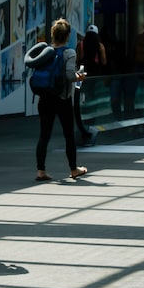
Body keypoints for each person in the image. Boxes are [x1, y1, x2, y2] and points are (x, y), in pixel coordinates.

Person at [33, 18, 88, 182]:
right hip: (62, 98)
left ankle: (41, 171)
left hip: (45, 98)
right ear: (68, 35)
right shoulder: (69, 53)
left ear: (53, 34)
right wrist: (81, 76)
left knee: (44, 135)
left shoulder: (46, 52)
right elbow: (71, 76)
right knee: (68, 135)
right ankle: (73, 169)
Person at [74, 24, 106, 146]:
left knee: (82, 95)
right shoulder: (100, 45)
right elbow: (104, 61)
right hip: (95, 75)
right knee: (93, 96)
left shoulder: (80, 45)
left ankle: (83, 116)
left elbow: (77, 60)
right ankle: (91, 119)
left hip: (82, 74)